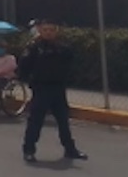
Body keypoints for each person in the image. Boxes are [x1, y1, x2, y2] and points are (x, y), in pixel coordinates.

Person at [19, 19, 87, 163]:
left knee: (63, 121)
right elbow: (23, 67)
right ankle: (29, 150)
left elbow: (70, 60)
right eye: (45, 30)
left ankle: (70, 149)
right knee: (35, 121)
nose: (49, 33)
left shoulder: (61, 48)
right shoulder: (34, 48)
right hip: (41, 88)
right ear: (40, 31)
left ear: (56, 31)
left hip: (58, 88)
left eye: (51, 30)